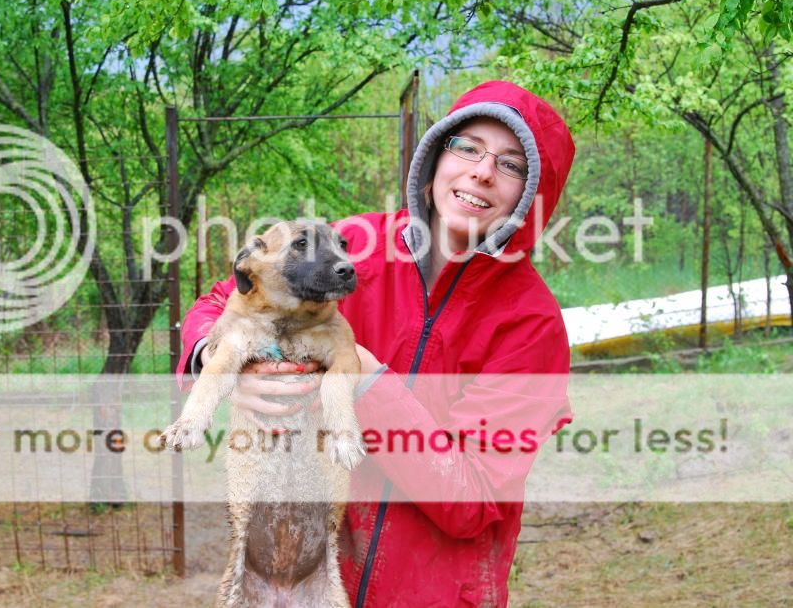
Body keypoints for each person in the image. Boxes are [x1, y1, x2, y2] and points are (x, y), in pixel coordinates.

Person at [176, 80, 575, 607]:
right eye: (469, 147)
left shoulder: (531, 325)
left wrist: (362, 378)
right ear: (436, 156)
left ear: (531, 195)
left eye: (511, 164)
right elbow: (223, 301)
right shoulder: (355, 246)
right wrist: (219, 357)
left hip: (432, 593)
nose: (481, 171)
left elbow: (472, 500)